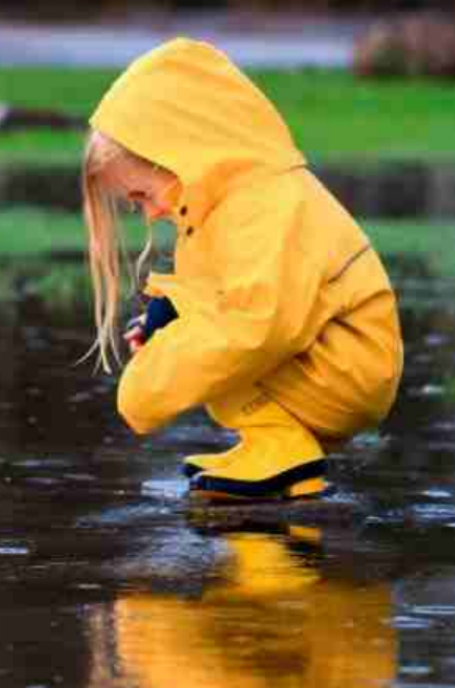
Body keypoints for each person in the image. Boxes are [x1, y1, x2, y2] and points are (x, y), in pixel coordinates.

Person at [81, 38, 404, 500]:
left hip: (346, 372)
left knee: (219, 346)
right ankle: (273, 444)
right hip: (327, 362)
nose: (150, 213)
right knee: (206, 340)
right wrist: (167, 316)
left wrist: (149, 384)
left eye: (143, 195)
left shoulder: (266, 203)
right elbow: (216, 289)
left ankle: (285, 450)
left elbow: (260, 325)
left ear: (178, 155)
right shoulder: (223, 205)